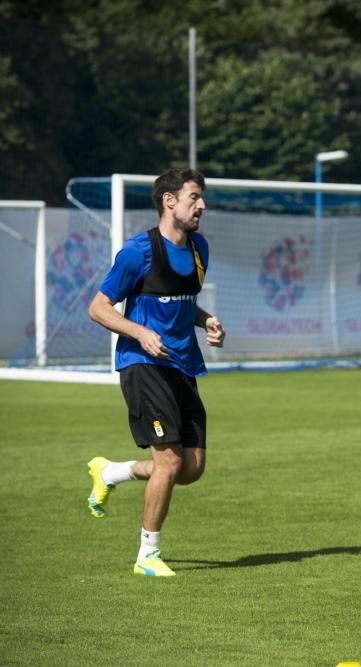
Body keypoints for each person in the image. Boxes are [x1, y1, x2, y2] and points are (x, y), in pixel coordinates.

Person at [86, 168, 226, 576]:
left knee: (190, 468)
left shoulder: (199, 247)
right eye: (194, 197)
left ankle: (111, 471)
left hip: (183, 363)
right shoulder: (138, 251)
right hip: (143, 365)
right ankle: (147, 555)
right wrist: (140, 332)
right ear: (169, 201)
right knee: (167, 463)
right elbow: (98, 307)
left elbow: (180, 302)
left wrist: (207, 321)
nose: (202, 205)